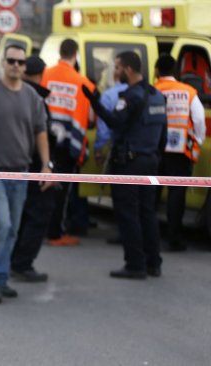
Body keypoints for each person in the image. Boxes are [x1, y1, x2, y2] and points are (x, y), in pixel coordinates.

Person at [0, 47, 52, 303]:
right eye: (12, 61)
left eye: (21, 62)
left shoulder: (32, 97)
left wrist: (46, 165)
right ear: (3, 62)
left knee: (12, 230)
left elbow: (40, 131)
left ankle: (2, 277)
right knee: (2, 224)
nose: (17, 66)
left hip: (21, 173)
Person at [83, 51, 167, 279]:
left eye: (118, 68)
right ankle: (153, 262)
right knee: (148, 213)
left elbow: (114, 122)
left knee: (128, 214)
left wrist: (95, 103)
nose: (115, 72)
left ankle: (135, 265)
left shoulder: (130, 96)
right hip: (150, 162)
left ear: (129, 70)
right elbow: (163, 138)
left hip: (129, 164)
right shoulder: (157, 96)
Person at [41, 39, 96, 247]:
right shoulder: (84, 83)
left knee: (41, 185)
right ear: (75, 54)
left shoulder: (45, 75)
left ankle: (42, 227)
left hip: (44, 140)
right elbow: (91, 118)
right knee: (62, 191)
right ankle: (56, 233)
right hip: (67, 144)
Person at [154, 54, 206, 252]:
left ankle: (150, 235)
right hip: (180, 152)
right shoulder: (189, 92)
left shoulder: (152, 91)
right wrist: (197, 141)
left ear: (157, 71)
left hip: (156, 151)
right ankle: (173, 239)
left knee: (152, 194)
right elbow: (199, 120)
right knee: (177, 195)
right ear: (175, 71)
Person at [10, 55, 55, 283]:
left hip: (15, 165)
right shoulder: (36, 98)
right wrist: (48, 165)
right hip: (36, 165)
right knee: (37, 214)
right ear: (41, 74)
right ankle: (21, 263)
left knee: (18, 215)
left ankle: (11, 261)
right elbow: (43, 134)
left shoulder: (14, 93)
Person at [93, 54, 128, 245]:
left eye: (116, 68)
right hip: (146, 155)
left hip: (120, 153)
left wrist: (99, 149)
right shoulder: (146, 91)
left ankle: (125, 233)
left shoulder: (111, 95)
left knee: (121, 197)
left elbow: (104, 127)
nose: (113, 72)